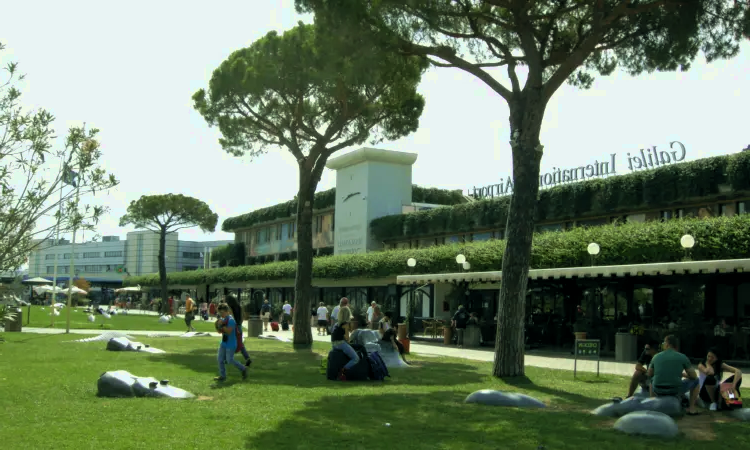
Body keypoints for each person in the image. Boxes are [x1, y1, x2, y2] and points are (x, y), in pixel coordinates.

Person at [648, 334, 700, 415]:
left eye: (663, 343)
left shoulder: (656, 356)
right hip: (675, 390)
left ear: (668, 344)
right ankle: (691, 408)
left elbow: (649, 374)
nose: (663, 345)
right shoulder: (682, 357)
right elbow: (694, 376)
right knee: (696, 381)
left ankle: (652, 404)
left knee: (652, 380)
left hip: (658, 390)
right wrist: (683, 375)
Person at [214, 303, 248, 382]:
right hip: (224, 342)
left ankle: (243, 368)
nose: (221, 314)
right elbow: (220, 331)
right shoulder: (223, 320)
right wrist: (218, 327)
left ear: (227, 311)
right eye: (220, 313)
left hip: (231, 344)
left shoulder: (231, 320)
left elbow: (229, 331)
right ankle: (222, 376)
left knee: (230, 360)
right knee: (220, 359)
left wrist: (221, 325)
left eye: (222, 312)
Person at [225, 294, 252, 367]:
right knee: (240, 344)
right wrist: (239, 323)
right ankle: (247, 358)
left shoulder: (229, 307)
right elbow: (243, 316)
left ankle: (226, 358)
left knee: (228, 341)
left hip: (233, 326)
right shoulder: (239, 307)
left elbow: (231, 316)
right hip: (239, 326)